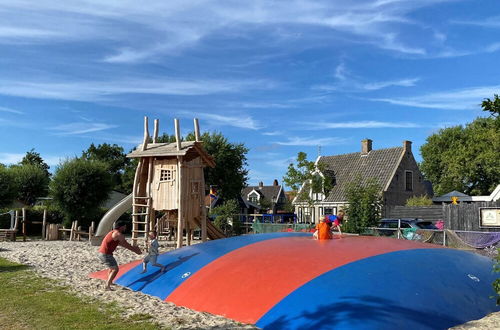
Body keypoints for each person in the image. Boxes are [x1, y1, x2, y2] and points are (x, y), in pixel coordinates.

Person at [98, 221, 142, 291]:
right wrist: (136, 251)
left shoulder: (112, 232)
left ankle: (110, 282)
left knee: (111, 268)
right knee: (115, 269)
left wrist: (134, 249)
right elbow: (126, 245)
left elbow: (120, 243)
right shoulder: (118, 234)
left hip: (103, 253)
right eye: (124, 226)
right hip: (105, 254)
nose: (125, 228)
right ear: (121, 227)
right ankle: (107, 286)